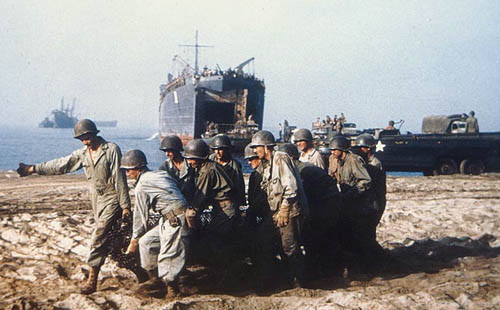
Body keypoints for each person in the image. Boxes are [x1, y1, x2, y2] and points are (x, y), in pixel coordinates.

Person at [17, 119, 131, 294]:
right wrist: (33, 168)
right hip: (96, 200)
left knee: (98, 236)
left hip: (112, 198)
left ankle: (92, 280)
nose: (85, 142)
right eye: (81, 139)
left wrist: (125, 205)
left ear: (94, 133)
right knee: (114, 242)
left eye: (87, 138)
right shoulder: (83, 154)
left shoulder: (112, 150)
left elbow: (119, 178)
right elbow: (62, 164)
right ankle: (142, 272)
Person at [122, 150, 189, 298]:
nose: (127, 174)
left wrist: (134, 240)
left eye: (129, 170)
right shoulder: (160, 173)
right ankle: (156, 280)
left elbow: (140, 215)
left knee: (169, 255)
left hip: (176, 219)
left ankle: (172, 290)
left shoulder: (142, 185)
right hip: (167, 218)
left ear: (137, 168)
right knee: (147, 242)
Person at [250, 130, 308, 287]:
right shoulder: (267, 165)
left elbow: (291, 187)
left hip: (289, 211)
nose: (255, 151)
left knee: (289, 246)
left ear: (266, 146)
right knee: (267, 242)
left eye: (257, 147)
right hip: (276, 213)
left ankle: (298, 281)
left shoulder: (280, 159)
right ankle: (280, 277)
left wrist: (284, 209)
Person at [277, 143, 341, 279]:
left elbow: (306, 196)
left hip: (326, 205)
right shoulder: (302, 168)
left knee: (314, 238)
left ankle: (320, 272)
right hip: (328, 203)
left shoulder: (301, 171)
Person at [209, 134, 246, 209]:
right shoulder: (211, 159)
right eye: (215, 150)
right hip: (213, 198)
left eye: (220, 149)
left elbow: (239, 186)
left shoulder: (234, 165)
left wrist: (241, 204)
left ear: (226, 150)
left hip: (227, 200)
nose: (217, 152)